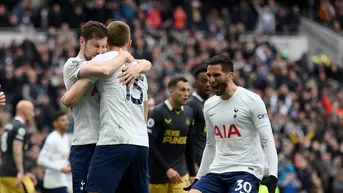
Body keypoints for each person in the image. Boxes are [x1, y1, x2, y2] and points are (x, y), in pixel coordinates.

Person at [64, 21, 151, 193]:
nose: (100, 50)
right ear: (82, 42)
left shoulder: (109, 63)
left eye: (103, 46)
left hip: (109, 142)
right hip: (87, 141)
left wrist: (141, 64)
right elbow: (70, 98)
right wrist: (128, 58)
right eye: (96, 45)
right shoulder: (74, 64)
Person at [185, 54, 278, 193]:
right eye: (209, 76)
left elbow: (267, 139)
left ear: (230, 75)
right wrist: (199, 177)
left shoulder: (252, 100)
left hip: (246, 170)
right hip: (217, 170)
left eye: (216, 75)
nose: (211, 80)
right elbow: (211, 145)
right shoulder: (209, 105)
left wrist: (273, 174)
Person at [148, 76, 196, 193]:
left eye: (188, 90)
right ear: (171, 91)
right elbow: (150, 145)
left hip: (181, 173)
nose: (186, 94)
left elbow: (189, 145)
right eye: (182, 90)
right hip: (158, 175)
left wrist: (192, 173)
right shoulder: (158, 112)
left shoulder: (189, 112)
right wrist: (167, 169)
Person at [0, 100, 36, 193]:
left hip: (3, 173)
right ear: (25, 111)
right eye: (31, 110)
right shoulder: (20, 127)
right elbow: (17, 149)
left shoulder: (9, 126)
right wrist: (21, 171)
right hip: (14, 174)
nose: (33, 114)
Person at [37, 111, 70, 193]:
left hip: (63, 181)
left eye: (66, 120)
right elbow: (41, 160)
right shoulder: (52, 139)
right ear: (55, 123)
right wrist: (60, 168)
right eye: (62, 120)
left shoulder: (65, 137)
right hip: (53, 184)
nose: (66, 122)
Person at [186, 65, 211, 171]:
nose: (208, 84)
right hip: (197, 162)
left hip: (209, 160)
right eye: (204, 81)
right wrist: (193, 163)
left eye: (209, 81)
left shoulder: (210, 103)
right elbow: (187, 136)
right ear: (196, 83)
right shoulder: (191, 104)